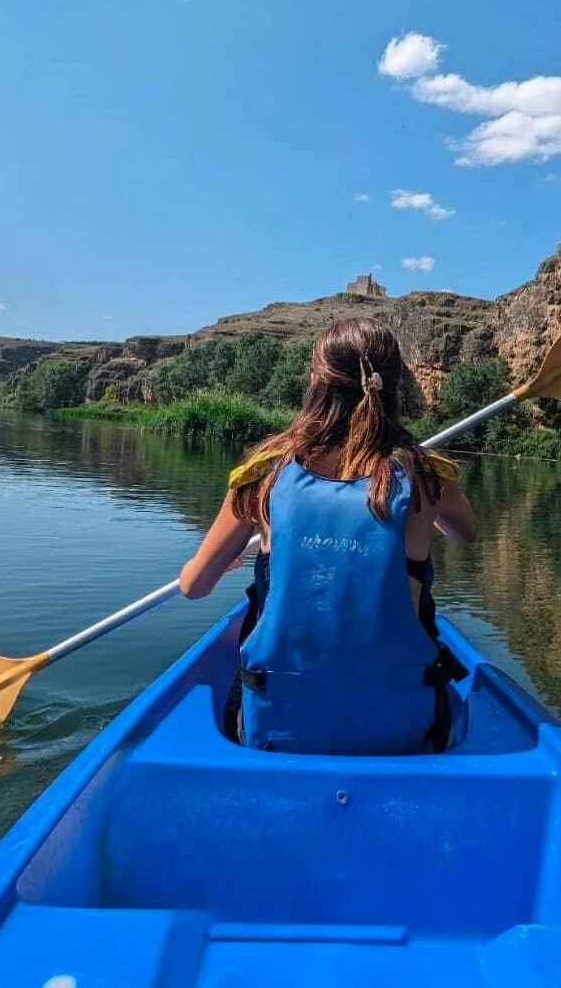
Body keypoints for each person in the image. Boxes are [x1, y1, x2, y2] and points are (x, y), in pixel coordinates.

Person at [178, 317, 477, 755]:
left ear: (317, 382)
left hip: (279, 726)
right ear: (393, 384)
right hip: (399, 724)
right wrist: (426, 512)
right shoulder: (427, 477)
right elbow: (465, 533)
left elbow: (193, 586)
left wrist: (223, 560)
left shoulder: (263, 472)